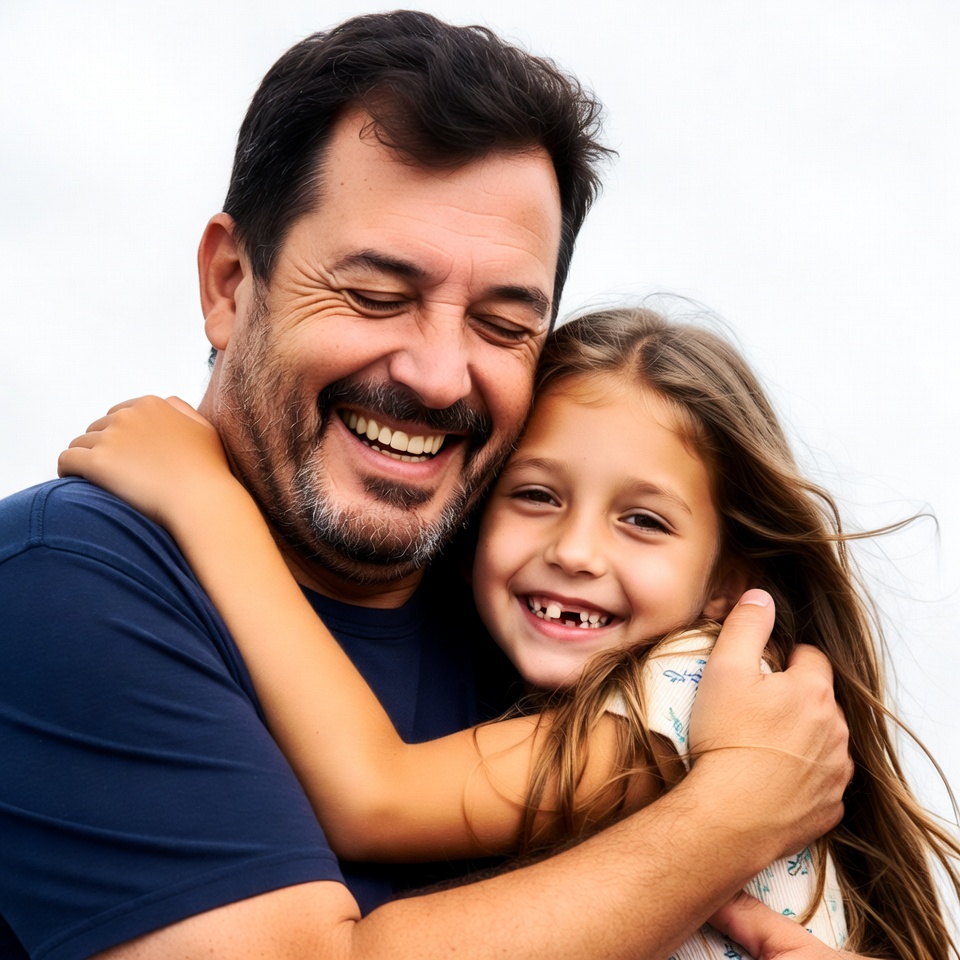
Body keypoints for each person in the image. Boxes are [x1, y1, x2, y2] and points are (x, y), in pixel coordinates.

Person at [0, 12, 851, 960]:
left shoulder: (544, 628)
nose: (441, 376)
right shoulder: (67, 587)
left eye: (501, 322)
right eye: (375, 295)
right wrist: (736, 810)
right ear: (232, 282)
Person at [61, 307, 960, 959]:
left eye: (643, 522)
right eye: (536, 496)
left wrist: (204, 502)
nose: (574, 550)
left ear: (728, 580)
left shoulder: (696, 702)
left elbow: (374, 793)